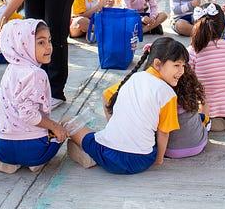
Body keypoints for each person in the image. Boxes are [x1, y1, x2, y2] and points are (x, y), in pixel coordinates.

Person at [66, 37, 187, 175]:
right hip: (141, 161)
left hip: (108, 154)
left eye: (183, 65)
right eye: (177, 65)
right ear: (158, 64)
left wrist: (115, 127)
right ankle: (91, 156)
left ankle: (90, 156)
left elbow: (107, 95)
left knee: (68, 121)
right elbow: (164, 132)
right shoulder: (169, 94)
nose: (182, 71)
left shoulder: (134, 78)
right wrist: (158, 160)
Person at [0, 19, 68, 174]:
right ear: (23, 45)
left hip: (2, 149)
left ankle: (6, 163)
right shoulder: (36, 74)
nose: (48, 47)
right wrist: (55, 127)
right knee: (63, 130)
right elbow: (29, 115)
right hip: (34, 151)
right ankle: (34, 163)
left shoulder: (10, 69)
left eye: (49, 41)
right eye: (41, 42)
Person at [188, 3, 225, 132]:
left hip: (206, 106)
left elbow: (188, 81)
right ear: (223, 26)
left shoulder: (193, 51)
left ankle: (213, 120)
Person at [165, 64, 209, 159]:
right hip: (197, 146)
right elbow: (204, 102)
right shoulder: (191, 94)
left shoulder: (164, 97)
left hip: (168, 151)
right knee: (200, 117)